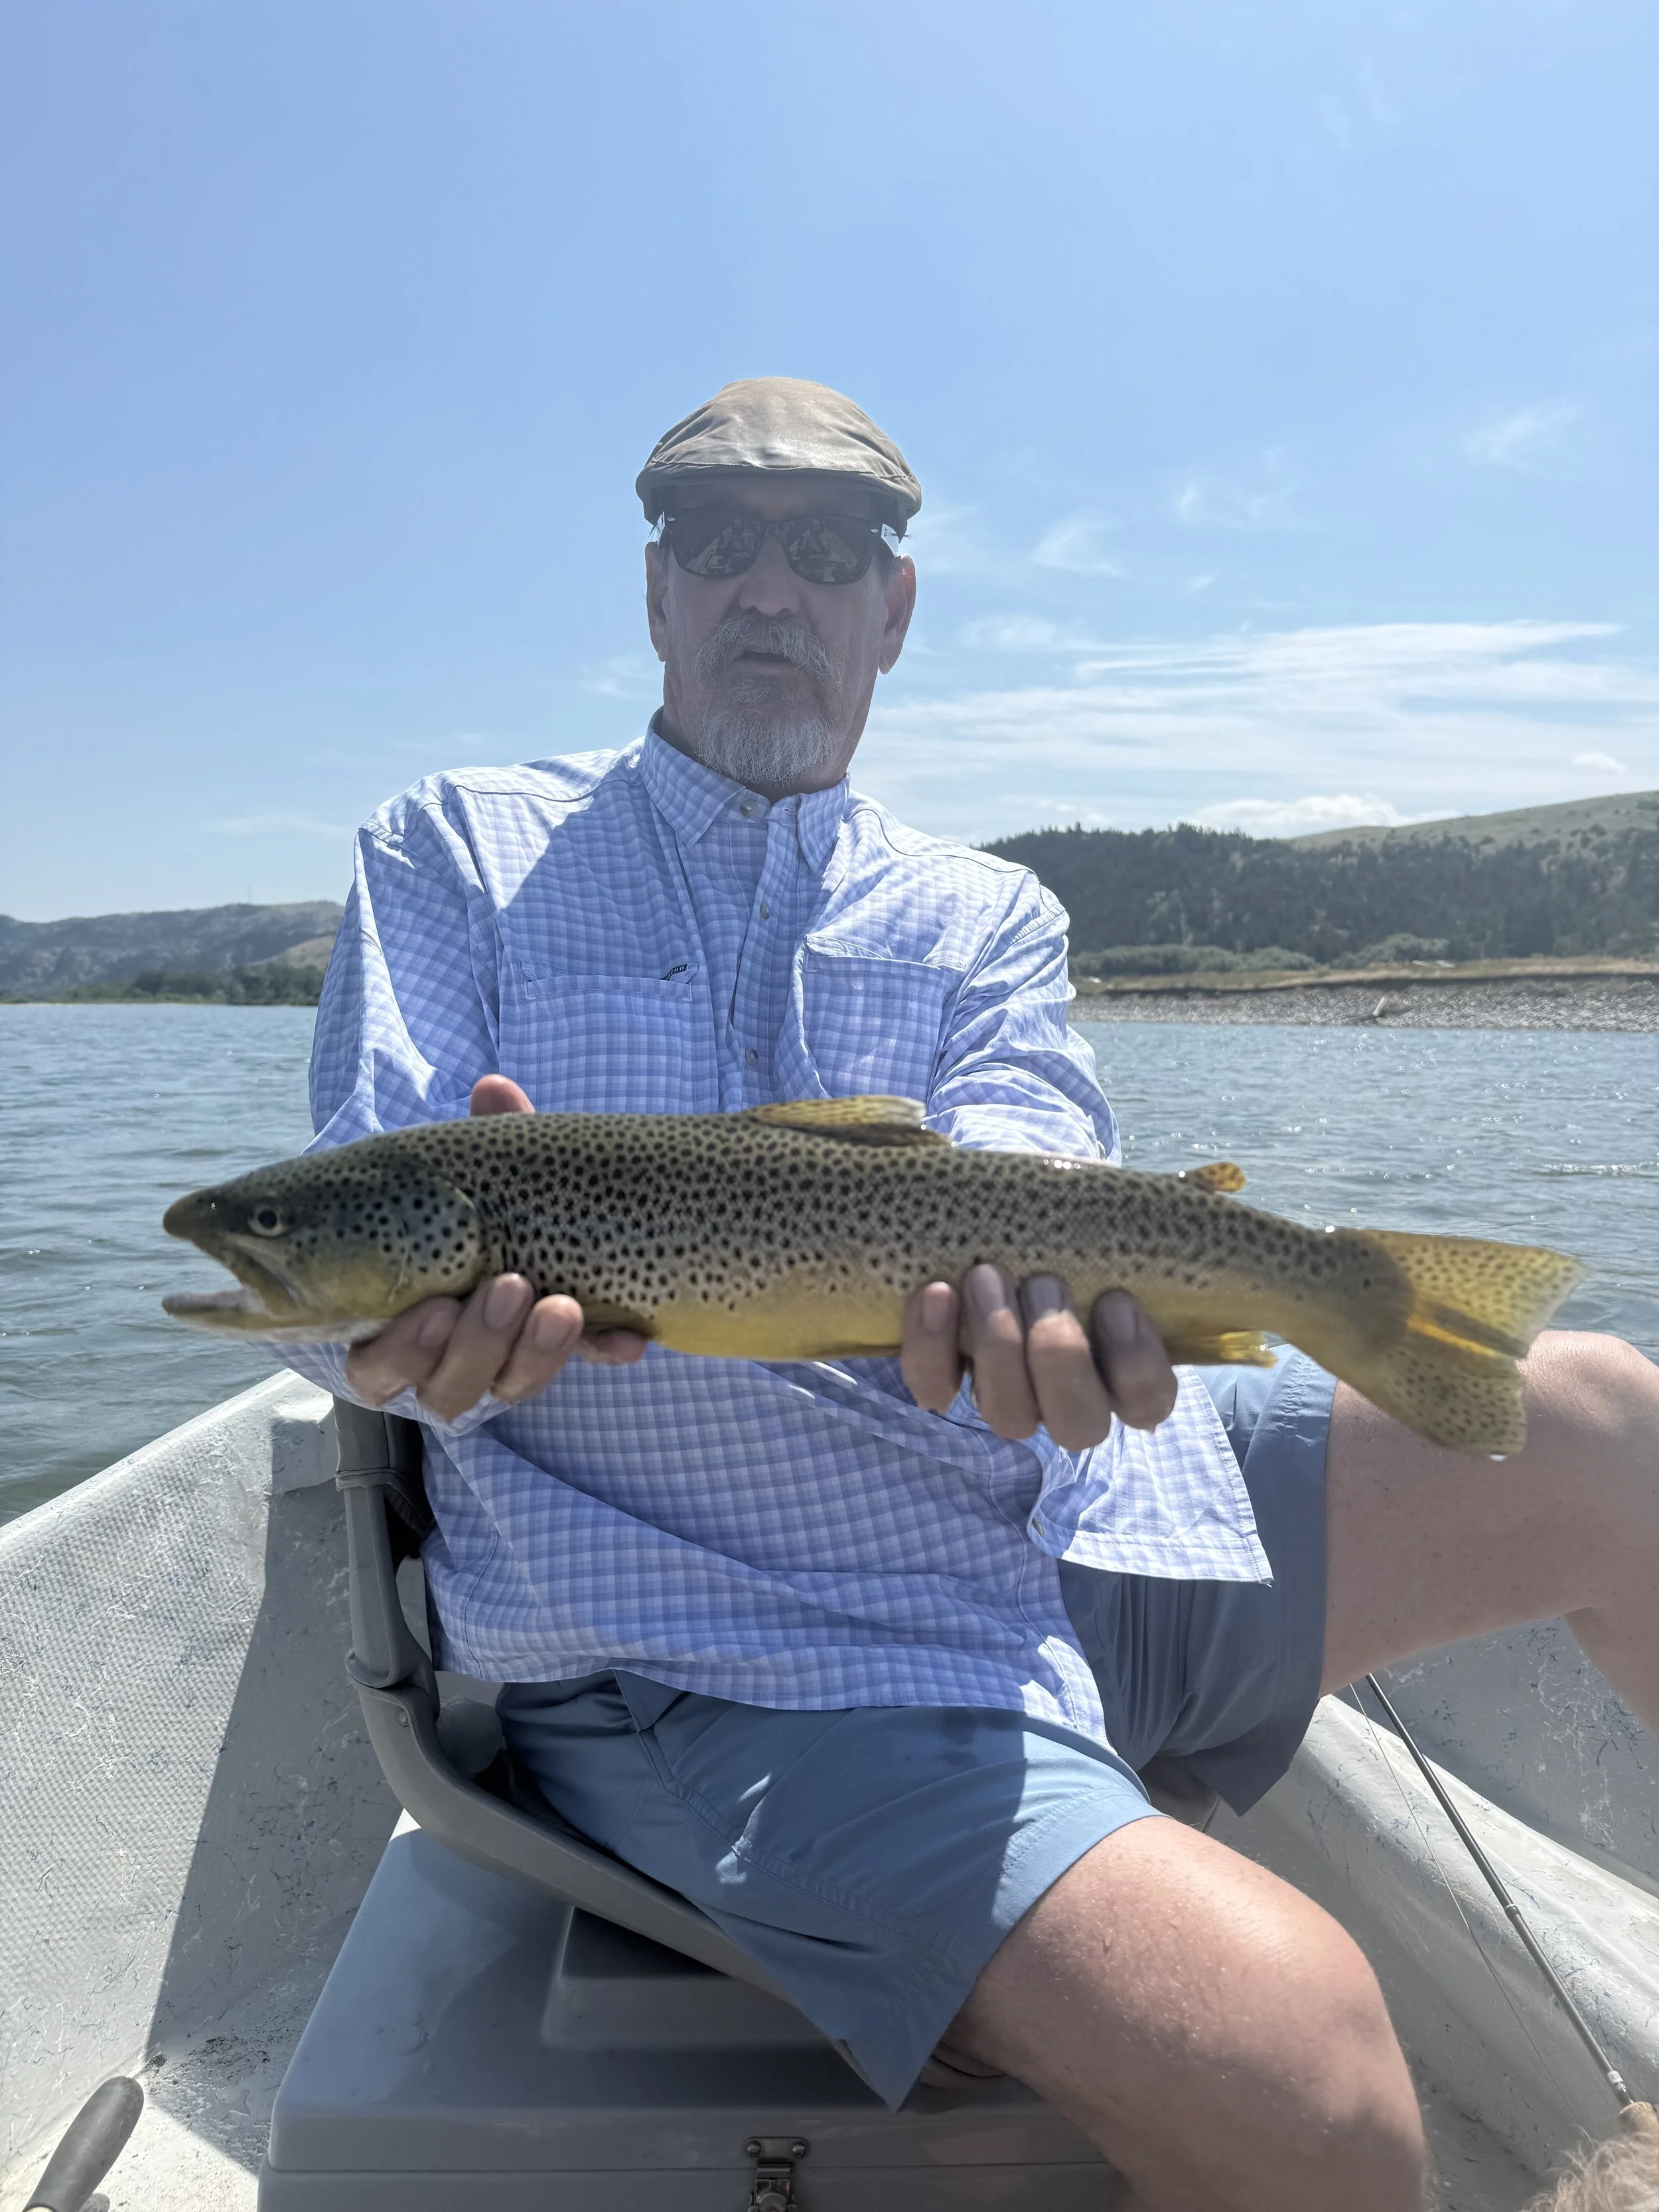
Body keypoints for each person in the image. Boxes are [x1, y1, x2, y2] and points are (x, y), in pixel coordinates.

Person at [285, 378, 1659, 2212]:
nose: (770, 590)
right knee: (1309, 2070)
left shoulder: (985, 912)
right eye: (718, 543)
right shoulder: (453, 849)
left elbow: (1033, 1161)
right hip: (741, 1641)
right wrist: (377, 1341)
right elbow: (348, 1243)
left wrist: (1070, 1341)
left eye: (829, 551)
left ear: (893, 611)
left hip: (1070, 1517)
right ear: (654, 592)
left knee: (1617, 1430)